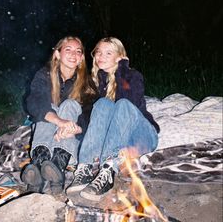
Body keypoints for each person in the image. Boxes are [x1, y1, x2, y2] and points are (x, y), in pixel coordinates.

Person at [66, 37, 159, 201]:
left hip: (142, 136)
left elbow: (129, 104)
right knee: (102, 103)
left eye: (108, 53)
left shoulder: (132, 76)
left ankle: (108, 171)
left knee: (122, 104)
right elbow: (89, 114)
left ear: (119, 56)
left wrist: (122, 69)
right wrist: (79, 130)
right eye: (99, 52)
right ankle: (86, 167)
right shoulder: (94, 82)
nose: (101, 56)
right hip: (117, 142)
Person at [21, 36, 98, 194]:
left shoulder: (86, 83)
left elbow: (91, 111)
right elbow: (34, 101)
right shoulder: (44, 75)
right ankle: (38, 167)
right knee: (48, 108)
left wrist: (76, 128)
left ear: (82, 58)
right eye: (68, 49)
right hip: (45, 137)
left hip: (71, 144)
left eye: (78, 51)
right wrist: (59, 121)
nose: (73, 54)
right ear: (57, 54)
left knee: (70, 104)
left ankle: (57, 165)